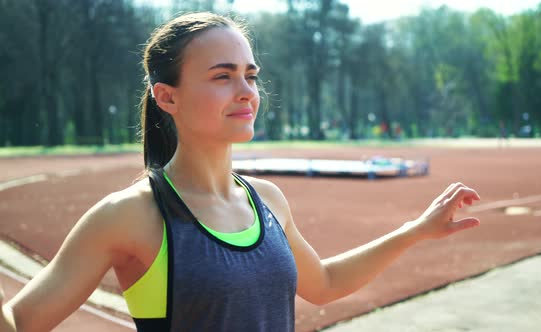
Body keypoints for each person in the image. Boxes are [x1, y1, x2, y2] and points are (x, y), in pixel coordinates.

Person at [0, 12, 481, 332]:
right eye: (222, 75)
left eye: (250, 75)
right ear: (167, 96)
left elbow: (325, 284)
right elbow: (21, 322)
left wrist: (416, 231)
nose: (247, 90)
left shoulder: (266, 200)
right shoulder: (131, 215)